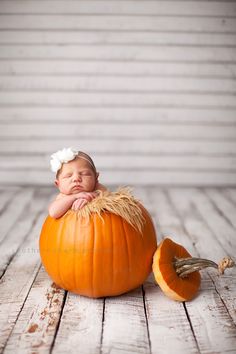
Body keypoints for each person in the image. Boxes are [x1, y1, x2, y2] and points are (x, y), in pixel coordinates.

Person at [48, 147, 107, 218]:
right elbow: (53, 213)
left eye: (84, 174)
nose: (76, 178)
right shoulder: (62, 197)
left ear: (96, 178)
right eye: (68, 176)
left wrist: (91, 198)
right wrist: (74, 197)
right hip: (69, 228)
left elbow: (108, 200)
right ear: (58, 184)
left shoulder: (98, 188)